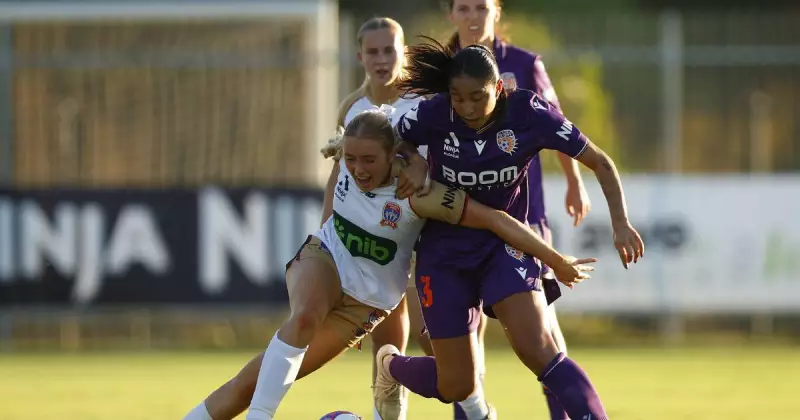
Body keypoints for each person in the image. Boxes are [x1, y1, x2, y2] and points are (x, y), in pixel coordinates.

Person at [182, 108, 598, 420]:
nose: (358, 169)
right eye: (351, 159)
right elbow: (360, 120)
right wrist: (339, 153)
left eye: (368, 161)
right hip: (324, 258)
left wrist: (555, 260)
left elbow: (493, 218)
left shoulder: (418, 192)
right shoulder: (354, 140)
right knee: (304, 315)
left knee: (249, 385)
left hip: (366, 305)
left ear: (393, 154)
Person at [372, 38, 644, 420]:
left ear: (499, 89)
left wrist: (621, 222)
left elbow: (599, 162)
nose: (466, 107)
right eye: (457, 97)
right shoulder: (434, 114)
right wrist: (410, 158)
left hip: (505, 243)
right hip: (443, 251)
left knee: (539, 348)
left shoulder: (530, 113)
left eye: (476, 97)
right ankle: (390, 367)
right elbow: (389, 141)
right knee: (457, 386)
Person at [438, 1, 592, 418]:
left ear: (497, 13)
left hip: (524, 221)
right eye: (464, 7)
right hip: (461, 224)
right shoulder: (440, 70)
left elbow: (559, 126)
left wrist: (575, 181)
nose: (473, 17)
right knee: (466, 343)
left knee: (544, 339)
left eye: (482, 7)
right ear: (451, 14)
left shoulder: (524, 65)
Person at [325, 16, 427, 420]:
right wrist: (328, 234)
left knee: (432, 332)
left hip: (422, 225)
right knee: (387, 324)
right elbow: (338, 175)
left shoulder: (422, 100)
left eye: (390, 49)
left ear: (404, 52)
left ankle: (472, 405)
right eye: (373, 51)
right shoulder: (352, 108)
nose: (382, 59)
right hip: (378, 233)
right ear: (360, 56)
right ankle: (390, 410)